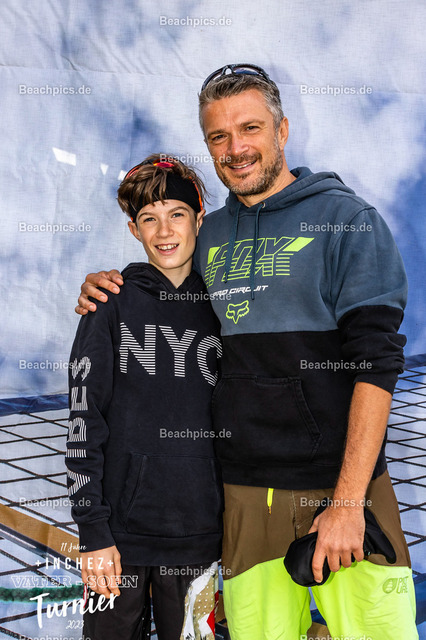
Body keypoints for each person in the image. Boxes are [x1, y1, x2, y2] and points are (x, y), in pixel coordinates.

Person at [74, 65, 418, 639]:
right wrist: (107, 286)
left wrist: (348, 502)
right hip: (242, 500)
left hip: (341, 491)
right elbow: (164, 283)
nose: (235, 149)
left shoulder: (347, 221)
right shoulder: (210, 235)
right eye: (218, 136)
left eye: (250, 128)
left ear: (282, 130)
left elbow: (376, 365)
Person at [66, 154, 223, 640]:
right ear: (134, 230)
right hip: (118, 540)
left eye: (177, 214)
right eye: (149, 219)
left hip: (200, 539)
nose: (164, 231)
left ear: (199, 218)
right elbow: (83, 422)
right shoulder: (108, 304)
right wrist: (93, 531)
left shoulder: (227, 305)